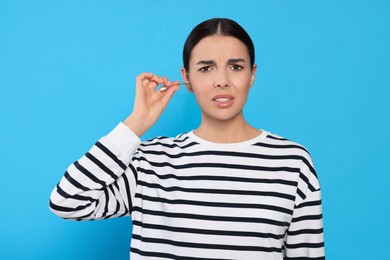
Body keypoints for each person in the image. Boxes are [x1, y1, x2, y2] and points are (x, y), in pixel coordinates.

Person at [49, 18, 325, 260]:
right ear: (187, 78)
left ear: (252, 74)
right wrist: (136, 123)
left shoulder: (292, 162)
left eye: (236, 67)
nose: (222, 80)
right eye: (206, 68)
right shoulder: (151, 162)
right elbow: (67, 201)